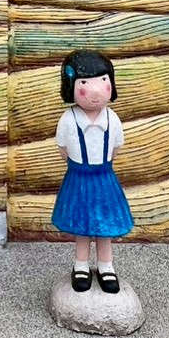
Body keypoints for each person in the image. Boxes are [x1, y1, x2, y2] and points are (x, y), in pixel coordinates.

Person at [51, 49, 133, 294]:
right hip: (79, 178)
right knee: (82, 226)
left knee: (105, 226)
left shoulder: (112, 119)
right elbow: (63, 148)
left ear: (111, 83)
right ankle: (81, 266)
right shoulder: (69, 119)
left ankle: (107, 267)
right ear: (71, 85)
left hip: (104, 178)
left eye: (103, 81)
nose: (96, 90)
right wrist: (78, 165)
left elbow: (116, 148)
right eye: (85, 82)